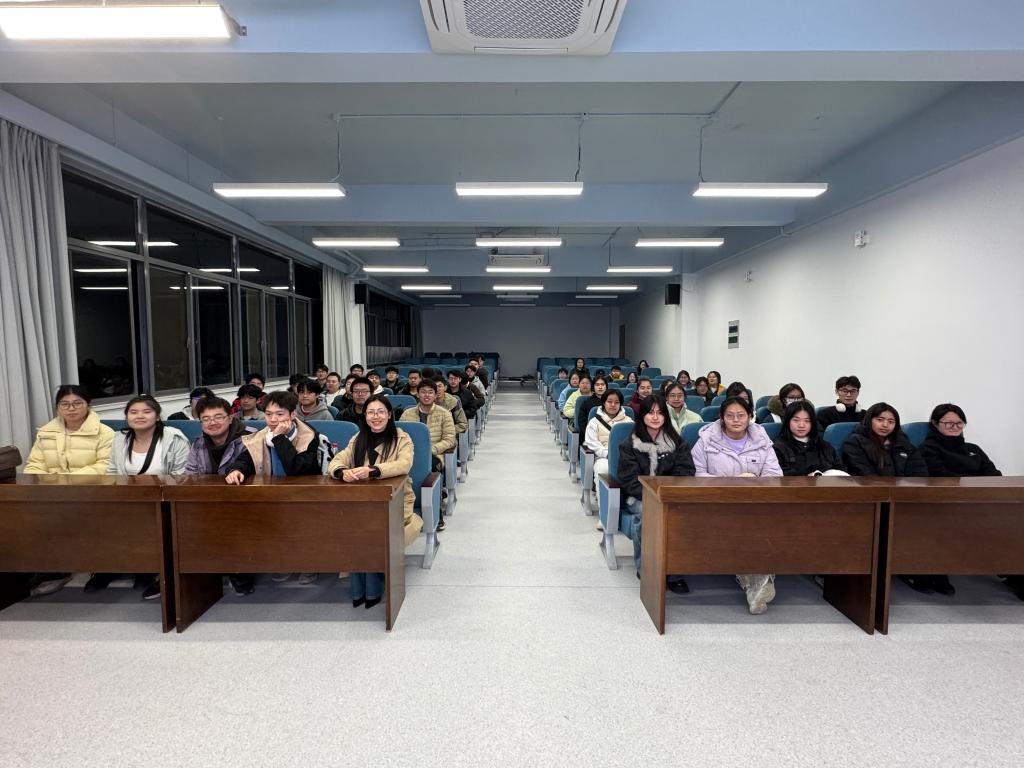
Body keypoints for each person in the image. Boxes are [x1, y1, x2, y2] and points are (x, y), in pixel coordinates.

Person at [224, 390, 333, 585]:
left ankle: (308, 564)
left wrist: (279, 438)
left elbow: (296, 469)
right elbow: (244, 460)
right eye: (268, 414)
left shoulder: (309, 436)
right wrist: (236, 470)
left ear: (293, 414)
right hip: (271, 496)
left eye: (280, 414)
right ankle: (283, 562)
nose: (273, 419)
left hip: (304, 497)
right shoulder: (260, 437)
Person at [91, 395, 190, 599]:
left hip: (164, 498)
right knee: (97, 516)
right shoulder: (119, 439)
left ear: (157, 416)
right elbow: (112, 471)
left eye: (146, 411)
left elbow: (182, 475)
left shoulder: (173, 438)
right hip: (128, 498)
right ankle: (107, 567)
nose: (140, 416)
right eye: (133, 412)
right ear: (127, 416)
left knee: (145, 520)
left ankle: (145, 569)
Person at [691, 396, 783, 614]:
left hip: (755, 503)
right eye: (730, 415)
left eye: (741, 415)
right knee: (742, 526)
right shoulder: (705, 441)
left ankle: (755, 584)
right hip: (716, 502)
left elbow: (774, 475)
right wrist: (733, 483)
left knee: (760, 524)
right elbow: (698, 476)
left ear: (750, 417)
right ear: (722, 418)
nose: (735, 420)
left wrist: (752, 483)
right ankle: (757, 583)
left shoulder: (762, 441)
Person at [328, 395, 422, 608]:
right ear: (365, 415)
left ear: (389, 415)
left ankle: (373, 587)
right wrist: (341, 471)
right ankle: (360, 586)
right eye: (370, 412)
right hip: (362, 500)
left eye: (380, 412)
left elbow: (404, 464)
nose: (375, 416)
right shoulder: (358, 438)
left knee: (369, 531)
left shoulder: (401, 437)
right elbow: (338, 460)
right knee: (351, 528)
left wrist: (374, 470)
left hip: (395, 500)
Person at [24, 385, 115, 596]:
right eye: (64, 404)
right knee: (27, 517)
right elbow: (34, 465)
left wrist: (66, 481)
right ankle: (53, 570)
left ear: (88, 405)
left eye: (77, 403)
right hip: (52, 493)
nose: (71, 409)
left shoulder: (104, 433)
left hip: (91, 492)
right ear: (58, 407)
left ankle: (102, 568)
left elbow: (105, 466)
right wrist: (46, 486)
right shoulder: (46, 433)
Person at [917, 403, 1003, 597]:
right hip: (946, 504)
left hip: (980, 503)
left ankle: (1014, 573)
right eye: (949, 423)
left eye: (959, 423)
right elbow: (940, 476)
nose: (955, 427)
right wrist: (974, 483)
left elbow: (994, 474)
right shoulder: (928, 449)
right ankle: (936, 571)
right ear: (935, 424)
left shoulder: (974, 449)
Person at [616, 395, 695, 594]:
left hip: (671, 496)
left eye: (660, 413)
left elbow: (686, 471)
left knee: (682, 516)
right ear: (642, 415)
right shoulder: (630, 444)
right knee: (647, 513)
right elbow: (629, 480)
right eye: (650, 412)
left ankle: (675, 572)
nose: (655, 417)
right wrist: (654, 497)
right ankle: (646, 567)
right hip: (640, 497)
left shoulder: (676, 442)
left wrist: (669, 494)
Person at [399, 379, 456, 531]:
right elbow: (400, 436)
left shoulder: (444, 414)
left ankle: (436, 515)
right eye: (423, 392)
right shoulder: (407, 414)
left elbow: (450, 439)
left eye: (430, 392)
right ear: (417, 394)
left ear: (436, 395)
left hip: (434, 455)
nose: (426, 395)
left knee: (432, 470)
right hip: (409, 454)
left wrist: (431, 450)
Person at [842, 402, 928, 479]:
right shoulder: (855, 442)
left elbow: (919, 472)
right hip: (871, 489)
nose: (885, 425)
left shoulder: (903, 443)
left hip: (904, 490)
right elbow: (863, 472)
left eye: (891, 422)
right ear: (869, 420)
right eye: (880, 420)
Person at [584, 388, 633, 517]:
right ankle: (604, 515)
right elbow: (592, 443)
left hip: (625, 458)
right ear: (604, 403)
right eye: (609, 401)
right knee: (603, 469)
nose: (613, 405)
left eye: (616, 402)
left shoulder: (629, 422)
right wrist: (607, 454)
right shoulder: (594, 422)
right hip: (603, 457)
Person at [772, 400, 846, 476]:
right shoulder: (778, 448)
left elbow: (841, 470)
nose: (801, 425)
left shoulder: (825, 446)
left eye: (807, 421)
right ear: (787, 422)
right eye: (796, 420)